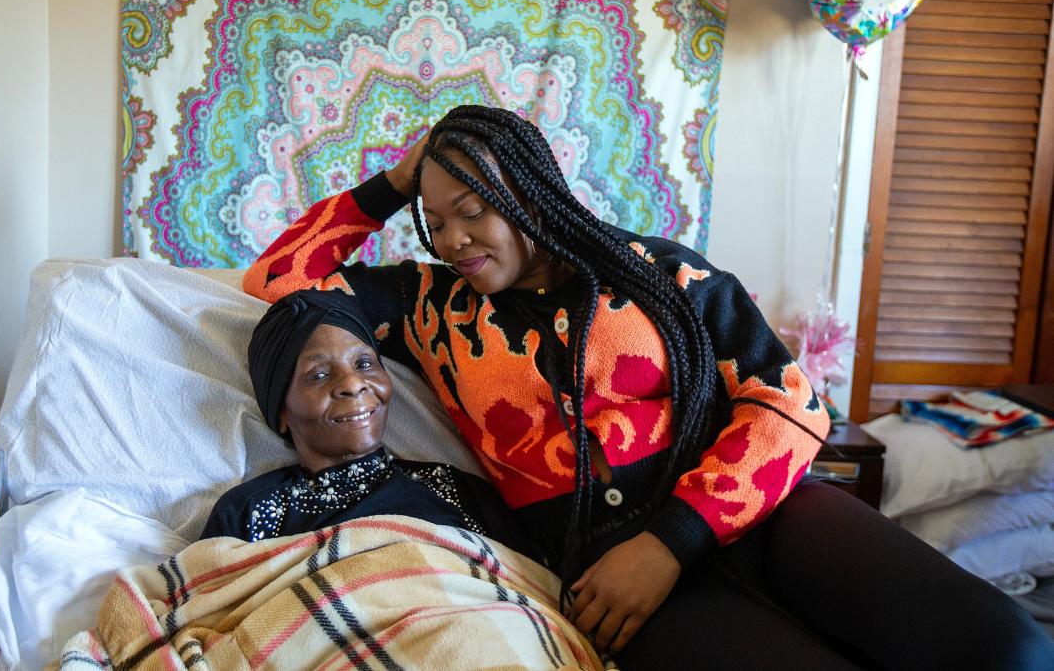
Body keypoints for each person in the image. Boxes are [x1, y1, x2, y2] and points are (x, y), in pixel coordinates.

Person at [242, 104, 1054, 668]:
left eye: (471, 211)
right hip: (609, 587)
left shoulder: (661, 273)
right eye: (435, 219)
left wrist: (672, 539)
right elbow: (278, 278)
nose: (452, 239)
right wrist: (393, 182)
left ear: (528, 187)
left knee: (1008, 648)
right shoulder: (427, 306)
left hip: (762, 520)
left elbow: (791, 400)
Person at [199, 287, 531, 556]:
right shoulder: (249, 514)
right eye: (318, 374)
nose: (353, 384)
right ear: (280, 412)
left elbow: (531, 589)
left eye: (364, 364)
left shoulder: (455, 490)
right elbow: (207, 611)